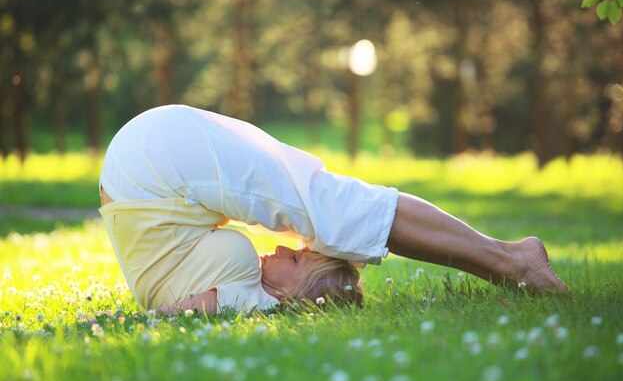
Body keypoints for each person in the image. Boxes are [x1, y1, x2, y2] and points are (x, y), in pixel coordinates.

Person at [99, 105, 567, 315]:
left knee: (330, 209)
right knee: (329, 209)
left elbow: (177, 311)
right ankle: (512, 261)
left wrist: (119, 322)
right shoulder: (253, 294)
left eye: (300, 258)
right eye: (300, 256)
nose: (284, 248)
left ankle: (513, 261)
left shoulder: (243, 292)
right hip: (149, 169)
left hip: (148, 171)